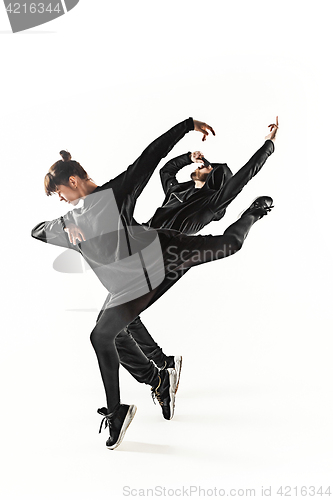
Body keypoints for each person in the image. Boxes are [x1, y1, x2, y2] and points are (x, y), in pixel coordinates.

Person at [31, 117, 276, 450]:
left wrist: (188, 125)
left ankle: (253, 213)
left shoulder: (116, 193)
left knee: (230, 245)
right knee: (102, 336)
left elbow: (152, 155)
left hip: (167, 250)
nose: (61, 201)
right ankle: (145, 389)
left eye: (60, 193)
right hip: (131, 283)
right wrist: (63, 230)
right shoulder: (70, 220)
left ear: (72, 180)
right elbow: (36, 230)